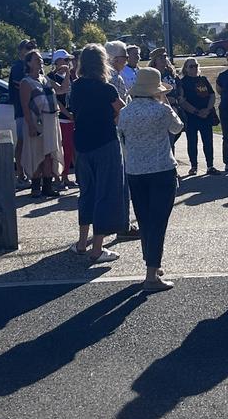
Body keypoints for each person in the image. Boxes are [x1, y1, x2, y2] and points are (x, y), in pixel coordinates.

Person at [117, 67, 184, 292]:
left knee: (145, 219)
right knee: (159, 221)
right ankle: (151, 274)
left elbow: (122, 134)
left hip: (135, 171)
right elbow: (178, 127)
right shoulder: (161, 110)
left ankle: (152, 263)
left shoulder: (126, 112)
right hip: (161, 168)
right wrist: (164, 100)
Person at [68, 44, 129, 263]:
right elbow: (123, 110)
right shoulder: (107, 88)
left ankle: (82, 242)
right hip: (105, 143)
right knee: (106, 193)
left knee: (87, 193)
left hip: (82, 143)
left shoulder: (77, 87)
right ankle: (98, 248)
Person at [20, 50, 63, 197]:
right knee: (37, 152)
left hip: (50, 119)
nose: (40, 61)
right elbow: (25, 106)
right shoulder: (26, 82)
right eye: (36, 59)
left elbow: (62, 89)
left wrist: (67, 73)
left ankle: (48, 186)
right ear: (29, 63)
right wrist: (31, 125)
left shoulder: (45, 79)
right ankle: (35, 187)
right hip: (36, 121)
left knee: (49, 153)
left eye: (40, 59)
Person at [177, 58, 217, 175]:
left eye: (195, 66)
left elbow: (212, 95)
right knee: (192, 142)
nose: (194, 68)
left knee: (208, 141)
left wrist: (208, 110)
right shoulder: (183, 82)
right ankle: (194, 166)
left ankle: (210, 166)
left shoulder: (203, 80)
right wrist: (196, 112)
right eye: (191, 66)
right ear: (185, 69)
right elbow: (182, 101)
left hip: (206, 116)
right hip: (192, 117)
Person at [49, 50, 76, 190]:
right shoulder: (50, 76)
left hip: (71, 117)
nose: (68, 63)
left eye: (68, 60)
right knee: (60, 149)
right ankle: (57, 177)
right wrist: (67, 113)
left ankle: (66, 176)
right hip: (61, 117)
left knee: (70, 148)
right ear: (58, 61)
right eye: (65, 60)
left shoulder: (70, 76)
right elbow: (60, 94)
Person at [8, 39, 35, 184]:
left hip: (34, 110)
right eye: (28, 47)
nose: (31, 49)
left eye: (33, 47)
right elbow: (22, 86)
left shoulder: (33, 66)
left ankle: (33, 173)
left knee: (32, 142)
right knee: (22, 141)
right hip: (22, 110)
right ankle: (20, 173)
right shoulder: (18, 67)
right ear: (20, 51)